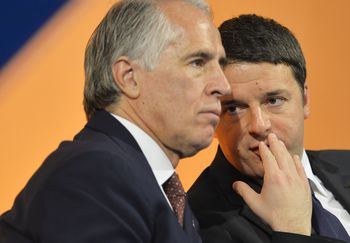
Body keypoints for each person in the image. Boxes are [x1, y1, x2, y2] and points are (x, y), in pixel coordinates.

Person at [0, 0, 230, 242]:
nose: (223, 86)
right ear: (129, 78)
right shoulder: (95, 173)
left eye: (220, 65)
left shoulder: (156, 188)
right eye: (198, 62)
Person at [187, 14, 350, 243]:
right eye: (234, 108)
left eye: (274, 100)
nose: (259, 125)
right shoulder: (197, 222)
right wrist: (293, 232)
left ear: (305, 101)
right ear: (214, 116)